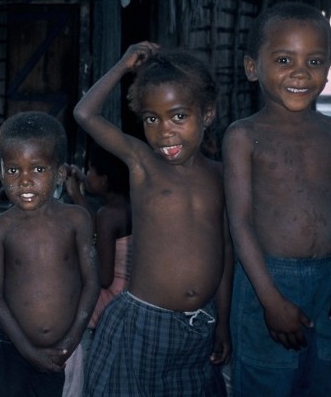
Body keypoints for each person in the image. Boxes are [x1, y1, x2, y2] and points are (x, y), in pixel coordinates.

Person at [223, 2, 331, 396]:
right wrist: (270, 300)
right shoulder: (243, 136)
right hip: (266, 278)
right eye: (284, 59)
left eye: (315, 60)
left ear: (329, 66)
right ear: (253, 67)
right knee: (268, 378)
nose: (300, 72)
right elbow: (240, 223)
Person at [75, 43, 233, 396]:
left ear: (207, 113)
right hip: (143, 323)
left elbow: (224, 251)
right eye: (152, 118)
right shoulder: (142, 163)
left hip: (200, 325)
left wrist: (222, 321)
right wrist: (122, 66)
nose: (165, 131)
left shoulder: (222, 176)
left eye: (179, 116)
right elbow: (85, 114)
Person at [0, 111, 99, 396]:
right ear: (0, 172)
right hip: (15, 349)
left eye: (37, 169)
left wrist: (72, 339)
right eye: (13, 170)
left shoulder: (76, 220)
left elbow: (91, 283)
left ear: (59, 173)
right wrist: (25, 349)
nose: (24, 181)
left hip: (64, 350)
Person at [64, 142, 132, 330]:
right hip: (130, 292)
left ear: (103, 180)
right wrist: (80, 177)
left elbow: (104, 279)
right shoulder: (128, 203)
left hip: (113, 302)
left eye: (90, 170)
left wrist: (76, 196)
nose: (87, 176)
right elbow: (99, 231)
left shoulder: (108, 215)